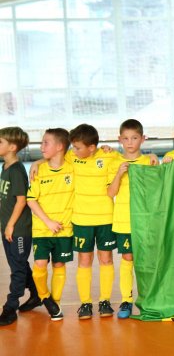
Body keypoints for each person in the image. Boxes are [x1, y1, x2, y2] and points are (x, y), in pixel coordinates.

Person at [65, 124, 119, 319]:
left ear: (92, 147)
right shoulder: (71, 156)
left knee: (106, 259)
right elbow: (51, 159)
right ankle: (85, 303)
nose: (74, 151)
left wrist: (153, 158)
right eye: (73, 147)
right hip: (81, 219)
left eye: (78, 147)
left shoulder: (109, 156)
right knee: (84, 260)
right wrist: (37, 163)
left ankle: (105, 300)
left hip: (105, 218)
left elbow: (130, 162)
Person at [26, 128, 74, 321]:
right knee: (39, 265)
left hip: (64, 229)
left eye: (46, 142)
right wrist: (48, 221)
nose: (41, 146)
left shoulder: (72, 164)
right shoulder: (39, 171)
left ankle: (56, 304)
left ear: (60, 146)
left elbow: (87, 151)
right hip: (42, 228)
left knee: (59, 264)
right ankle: (45, 298)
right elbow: (31, 200)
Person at [107, 119, 152, 318]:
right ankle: (126, 300)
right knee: (127, 258)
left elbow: (155, 190)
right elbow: (111, 192)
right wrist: (119, 174)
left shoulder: (148, 161)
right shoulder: (114, 162)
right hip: (124, 220)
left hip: (145, 221)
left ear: (142, 139)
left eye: (134, 138)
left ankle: (148, 298)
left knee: (145, 260)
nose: (130, 142)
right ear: (120, 139)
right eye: (125, 138)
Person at [0, 127, 38, 326]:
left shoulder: (16, 170)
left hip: (18, 230)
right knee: (19, 264)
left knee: (17, 268)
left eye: (0, 142)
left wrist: (10, 225)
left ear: (12, 147)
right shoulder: (5, 167)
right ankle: (36, 293)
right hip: (7, 227)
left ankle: (10, 307)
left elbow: (21, 201)